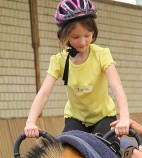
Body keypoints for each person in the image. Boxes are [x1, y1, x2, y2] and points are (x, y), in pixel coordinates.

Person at [24, 0, 129, 140]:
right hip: (75, 119)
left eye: (87, 35)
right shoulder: (59, 60)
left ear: (93, 32)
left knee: (111, 148)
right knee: (64, 149)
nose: (82, 42)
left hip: (103, 116)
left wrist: (124, 118)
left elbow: (116, 86)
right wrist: (31, 122)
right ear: (64, 36)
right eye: (75, 37)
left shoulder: (102, 54)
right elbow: (43, 93)